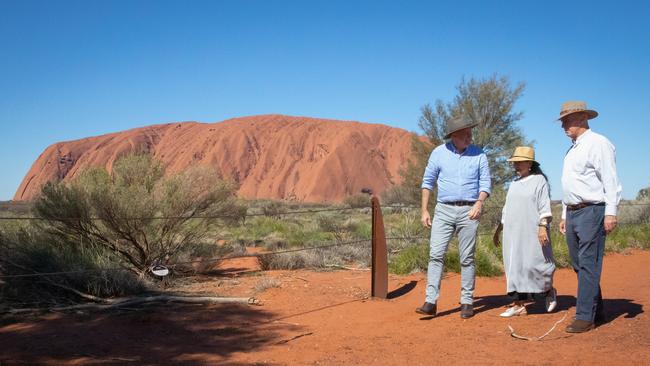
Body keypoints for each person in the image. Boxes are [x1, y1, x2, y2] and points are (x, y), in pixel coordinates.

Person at [416, 115, 491, 319]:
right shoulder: (439, 153)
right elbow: (427, 182)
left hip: (469, 210)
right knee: (435, 254)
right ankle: (431, 301)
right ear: (453, 136)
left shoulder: (479, 155)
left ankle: (467, 301)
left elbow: (485, 183)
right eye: (465, 133)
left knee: (467, 258)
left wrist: (479, 202)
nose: (469, 136)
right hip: (443, 210)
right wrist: (424, 210)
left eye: (470, 132)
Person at [557, 101, 622, 333]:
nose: (563, 125)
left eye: (567, 120)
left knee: (588, 264)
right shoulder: (572, 149)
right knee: (579, 264)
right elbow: (570, 186)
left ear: (582, 118)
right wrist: (565, 214)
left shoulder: (599, 143)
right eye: (562, 120)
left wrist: (611, 213)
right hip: (574, 212)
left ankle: (585, 316)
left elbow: (610, 180)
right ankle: (598, 310)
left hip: (592, 210)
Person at [493, 146, 557, 317]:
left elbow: (544, 205)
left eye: (520, 162)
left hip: (533, 230)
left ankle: (548, 290)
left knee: (534, 264)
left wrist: (543, 226)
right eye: (515, 162)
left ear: (529, 163)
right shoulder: (513, 184)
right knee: (515, 266)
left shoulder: (539, 181)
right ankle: (518, 305)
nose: (516, 165)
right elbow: (507, 209)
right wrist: (499, 229)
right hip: (513, 233)